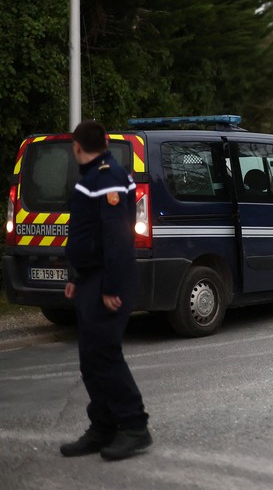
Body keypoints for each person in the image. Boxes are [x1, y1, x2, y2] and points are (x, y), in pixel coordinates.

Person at [60, 120, 152, 461]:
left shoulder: (107, 179)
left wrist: (111, 286)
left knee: (105, 355)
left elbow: (116, 237)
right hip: (90, 278)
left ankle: (134, 427)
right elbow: (87, 235)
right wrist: (75, 274)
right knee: (90, 358)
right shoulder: (97, 177)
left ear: (77, 147)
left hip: (107, 280)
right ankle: (103, 427)